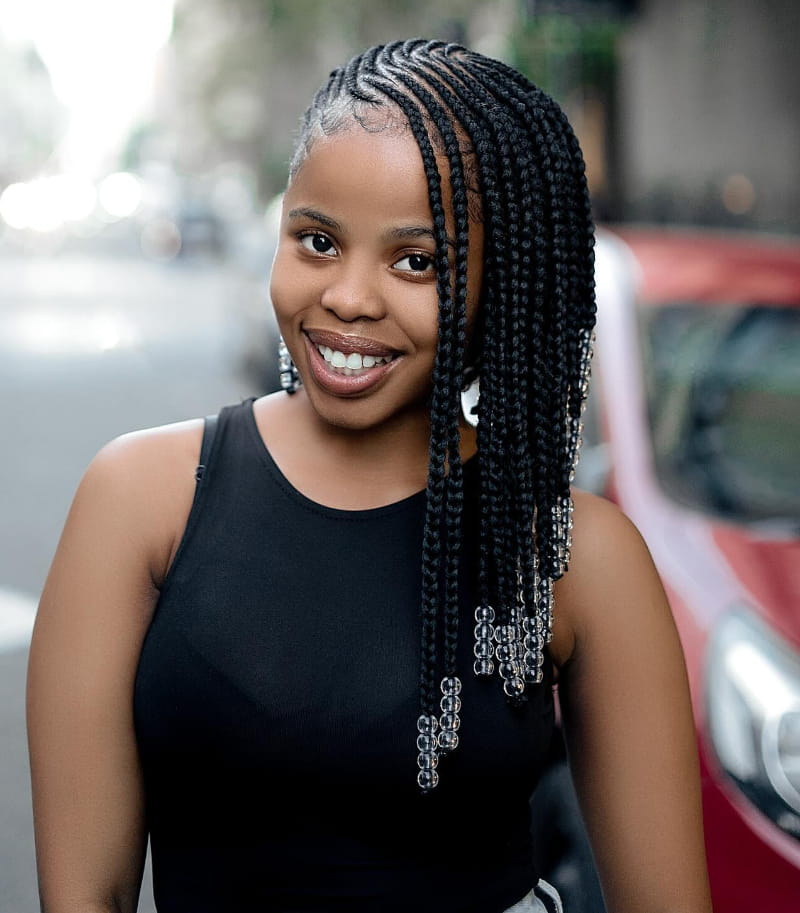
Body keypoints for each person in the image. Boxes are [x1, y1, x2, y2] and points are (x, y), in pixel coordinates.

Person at [27, 38, 713, 913]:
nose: (348, 296)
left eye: (416, 260)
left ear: (495, 282)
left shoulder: (573, 555)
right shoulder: (141, 500)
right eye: (316, 240)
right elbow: (84, 893)